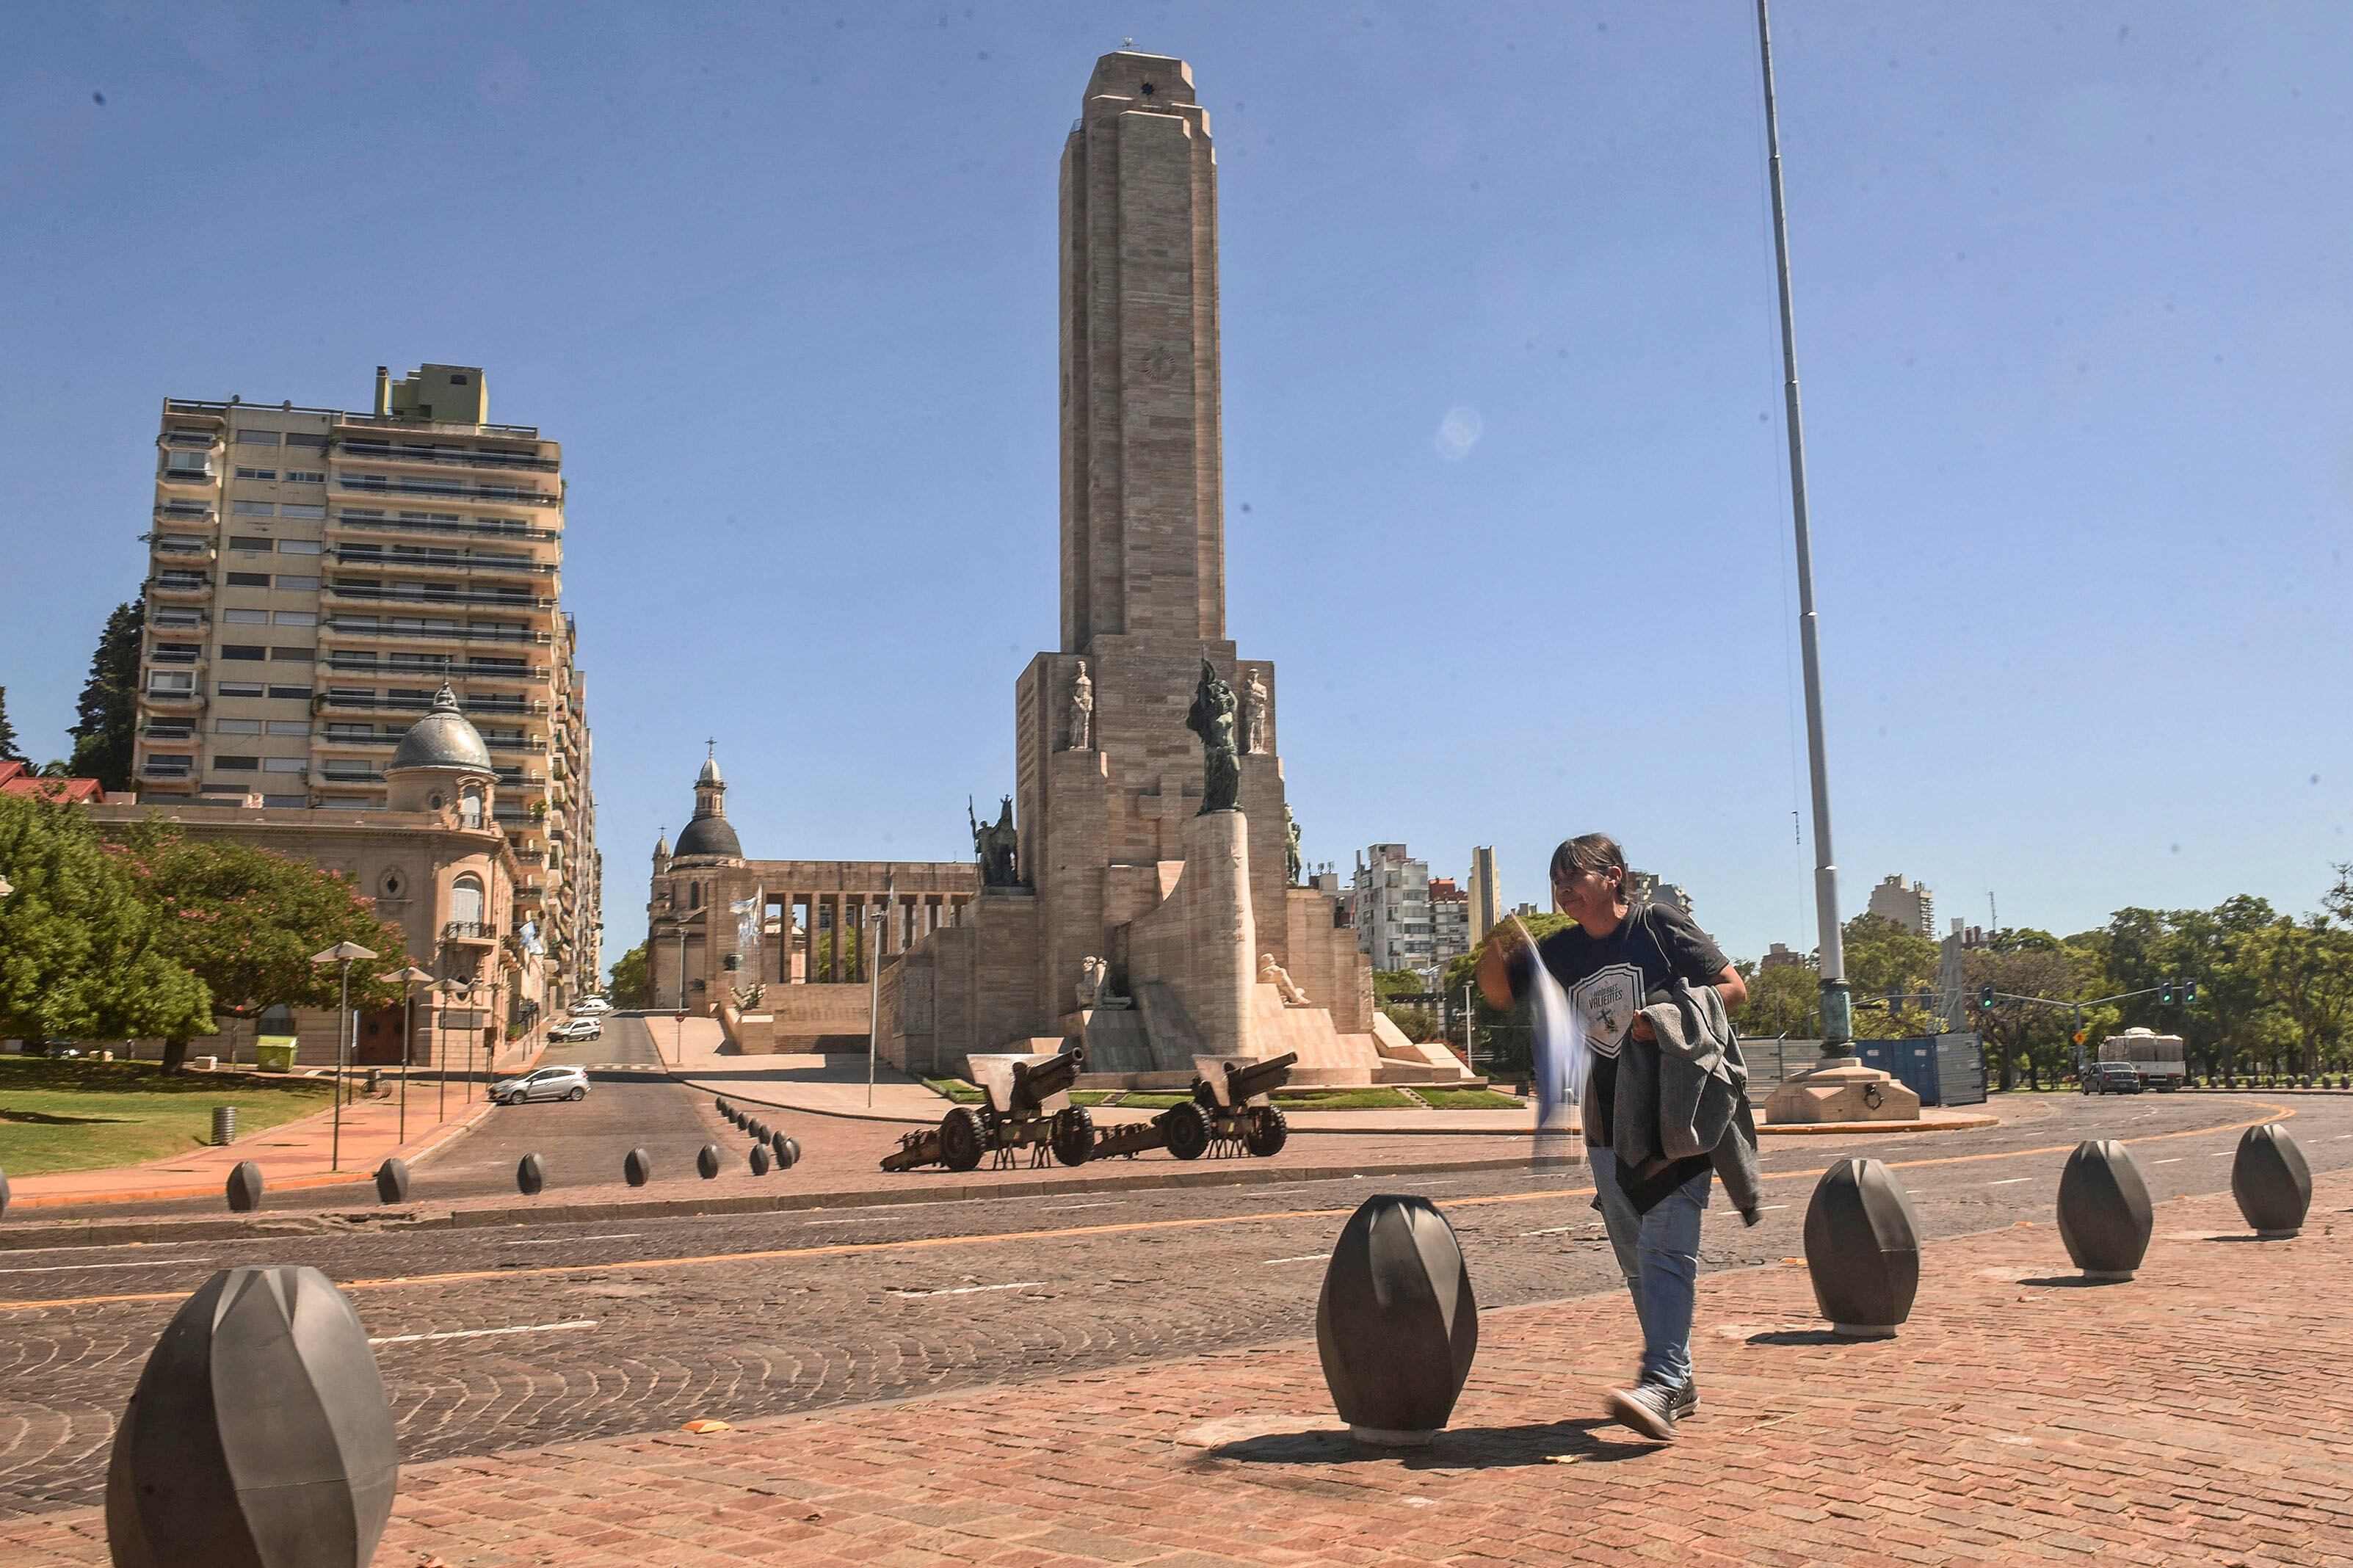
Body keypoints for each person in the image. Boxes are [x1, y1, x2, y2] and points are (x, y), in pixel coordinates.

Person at [1476, 832, 1749, 1442]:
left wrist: (1668, 1019)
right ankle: (1675, 1378)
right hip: (1604, 1124)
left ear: (1614, 876)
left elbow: (1734, 988)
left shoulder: (1658, 926)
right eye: (1556, 881)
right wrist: (1494, 960)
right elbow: (1499, 991)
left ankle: (1664, 1378)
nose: (1563, 889)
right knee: (1635, 1262)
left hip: (1672, 1118)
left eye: (1575, 876)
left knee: (1664, 1251)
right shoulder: (1560, 951)